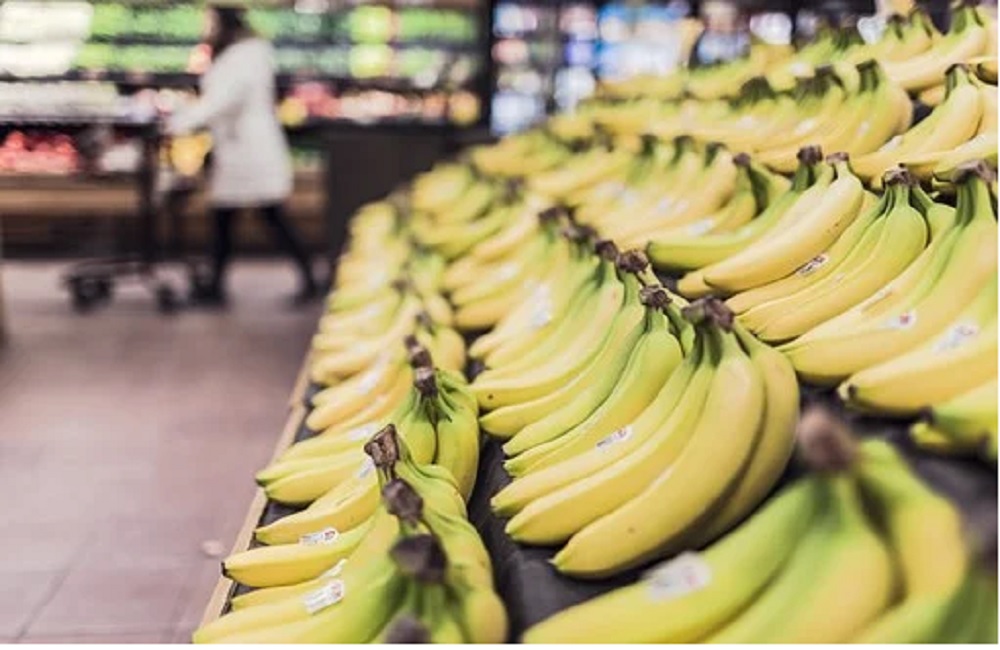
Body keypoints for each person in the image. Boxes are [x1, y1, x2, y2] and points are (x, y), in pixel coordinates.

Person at [168, 3, 318, 306]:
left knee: (268, 216)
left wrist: (180, 121)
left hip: (249, 150)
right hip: (238, 149)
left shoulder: (245, 56)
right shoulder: (244, 54)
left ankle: (308, 278)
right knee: (227, 219)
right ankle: (217, 285)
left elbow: (222, 101)